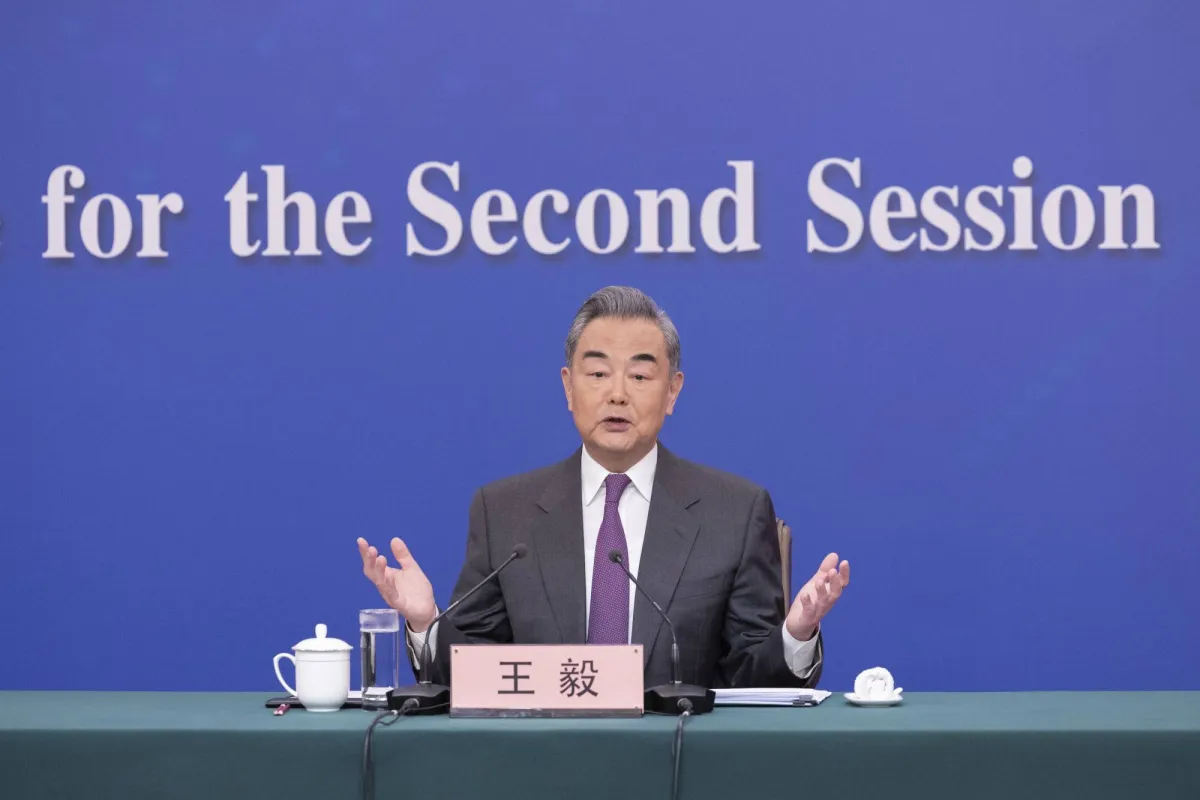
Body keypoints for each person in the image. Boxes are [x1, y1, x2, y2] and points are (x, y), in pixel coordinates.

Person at [357, 286, 850, 688]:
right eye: (597, 373)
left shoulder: (734, 513)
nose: (617, 393)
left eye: (639, 375)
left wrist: (795, 634)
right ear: (568, 387)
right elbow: (476, 673)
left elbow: (752, 682)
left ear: (672, 391)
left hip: (681, 761)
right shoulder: (504, 512)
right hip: (542, 762)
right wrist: (426, 622)